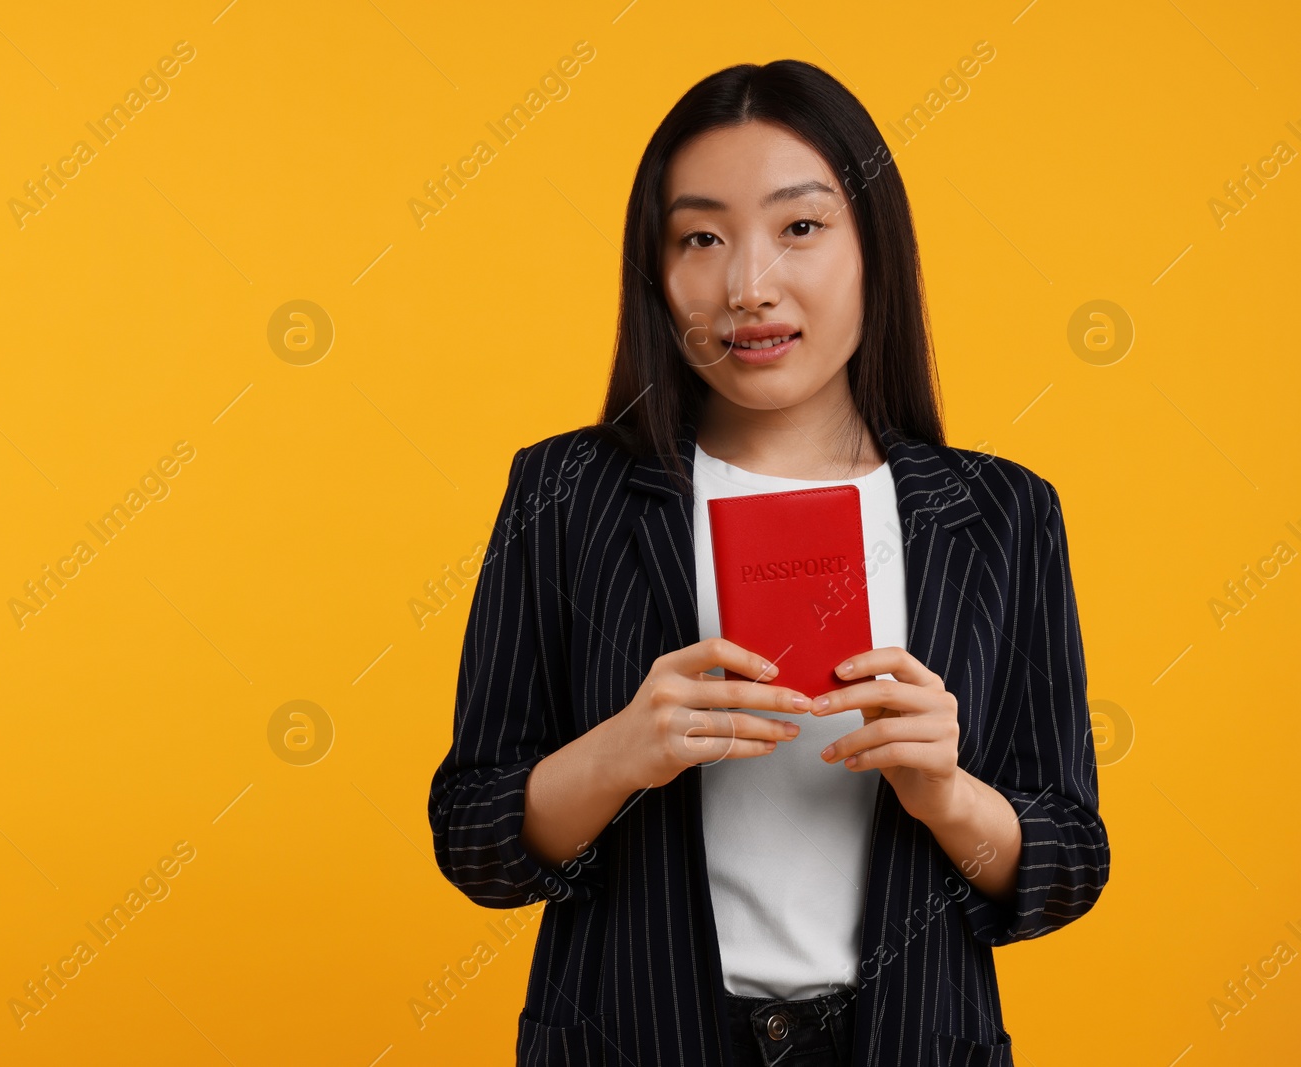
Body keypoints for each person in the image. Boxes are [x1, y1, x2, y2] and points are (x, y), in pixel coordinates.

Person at [427, 59, 1108, 1067]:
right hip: (631, 1037)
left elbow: (1067, 864)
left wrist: (945, 792)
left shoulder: (1003, 512)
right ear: (655, 272)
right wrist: (622, 752)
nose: (747, 286)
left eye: (799, 226)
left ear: (872, 245)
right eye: (700, 237)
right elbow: (473, 837)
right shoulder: (564, 492)